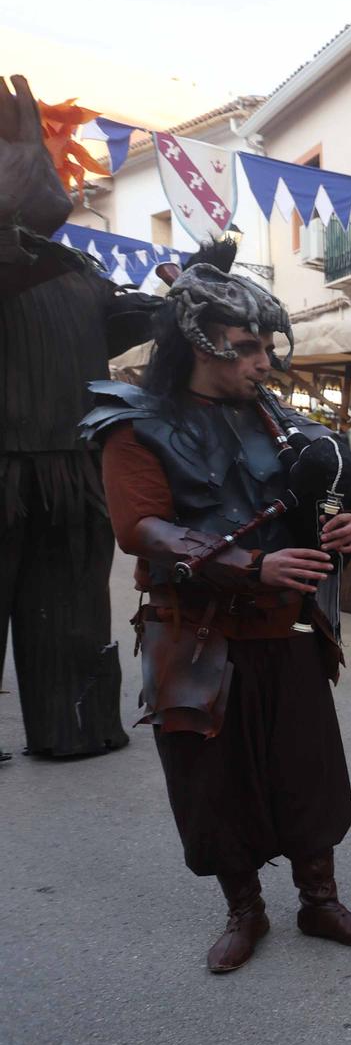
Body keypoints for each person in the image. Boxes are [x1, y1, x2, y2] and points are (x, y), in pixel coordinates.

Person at [78, 251, 351, 974]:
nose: (263, 362)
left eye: (264, 346)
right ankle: (243, 909)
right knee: (213, 781)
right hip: (197, 638)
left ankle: (319, 900)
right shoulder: (136, 424)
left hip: (289, 632)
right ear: (199, 343)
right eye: (246, 347)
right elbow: (142, 528)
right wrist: (252, 564)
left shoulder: (284, 420)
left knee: (306, 770)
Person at [0, 73, 155, 762]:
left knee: (69, 610)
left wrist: (186, 302)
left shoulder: (77, 269)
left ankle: (76, 723)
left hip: (70, 466)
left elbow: (121, 319)